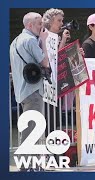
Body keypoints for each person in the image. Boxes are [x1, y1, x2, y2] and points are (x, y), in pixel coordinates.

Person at [10, 12, 49, 171]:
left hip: (22, 91)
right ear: (30, 25)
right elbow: (45, 62)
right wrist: (44, 42)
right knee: (32, 129)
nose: (42, 27)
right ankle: (27, 166)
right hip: (33, 91)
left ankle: (29, 164)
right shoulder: (31, 41)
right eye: (39, 24)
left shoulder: (15, 41)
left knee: (28, 128)